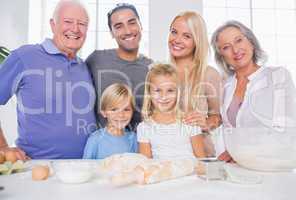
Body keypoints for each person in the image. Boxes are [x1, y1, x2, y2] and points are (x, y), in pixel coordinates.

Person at [0, 0, 97, 159]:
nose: (75, 28)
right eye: (68, 21)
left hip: (85, 166)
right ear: (53, 24)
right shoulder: (25, 57)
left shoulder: (84, 66)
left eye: (82, 23)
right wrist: (3, 147)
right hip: (37, 165)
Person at [211, 20, 296, 162]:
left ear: (251, 42)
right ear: (221, 56)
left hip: (270, 164)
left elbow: (287, 128)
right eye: (226, 47)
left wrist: (242, 152)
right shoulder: (225, 86)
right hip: (236, 166)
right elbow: (228, 131)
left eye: (239, 40)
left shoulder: (277, 76)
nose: (236, 50)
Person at [86, 3, 152, 131]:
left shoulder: (151, 68)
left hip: (138, 146)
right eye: (119, 26)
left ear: (140, 26)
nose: (127, 31)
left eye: (132, 23)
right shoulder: (97, 60)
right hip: (104, 145)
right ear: (112, 33)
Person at [168, 11, 222, 156]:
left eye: (186, 36)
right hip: (166, 155)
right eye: (174, 32)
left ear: (197, 41)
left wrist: (206, 123)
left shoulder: (209, 74)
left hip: (201, 156)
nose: (177, 40)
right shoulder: (159, 73)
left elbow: (220, 116)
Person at [137, 63, 206, 160]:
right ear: (149, 92)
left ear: (178, 92)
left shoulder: (190, 122)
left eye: (170, 90)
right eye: (157, 90)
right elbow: (146, 163)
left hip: (191, 173)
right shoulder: (144, 127)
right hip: (162, 174)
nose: (164, 96)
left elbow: (202, 159)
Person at [83, 83, 137, 159]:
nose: (121, 115)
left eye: (126, 109)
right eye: (114, 109)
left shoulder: (133, 139)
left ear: (132, 112)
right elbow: (85, 167)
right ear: (104, 113)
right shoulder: (96, 139)